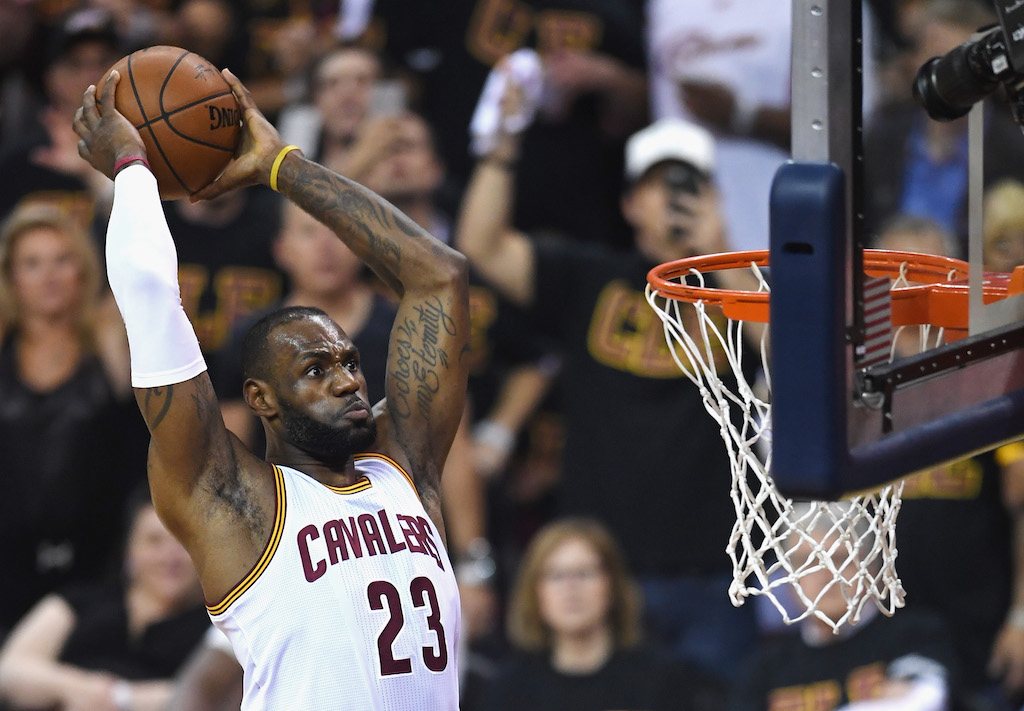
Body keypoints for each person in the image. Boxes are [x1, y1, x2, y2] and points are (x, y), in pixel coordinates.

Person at [72, 62, 468, 709]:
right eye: (316, 369)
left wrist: (282, 164)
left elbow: (439, 276)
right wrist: (132, 166)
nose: (347, 378)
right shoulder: (232, 499)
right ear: (260, 399)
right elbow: (150, 298)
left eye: (348, 360)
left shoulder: (405, 462)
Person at [457, 84, 761, 682]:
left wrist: (719, 250)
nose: (675, 202)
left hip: (718, 572)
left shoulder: (742, 288)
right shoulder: (590, 277)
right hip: (606, 574)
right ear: (629, 203)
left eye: (690, 186)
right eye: (660, 186)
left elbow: (787, 356)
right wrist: (501, 150)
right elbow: (481, 244)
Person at [0, 202, 145, 639]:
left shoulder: (111, 344)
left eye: (62, 260)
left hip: (98, 563)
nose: (49, 276)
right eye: (33, 263)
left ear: (83, 271)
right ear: (11, 277)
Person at [729, 503, 962, 711]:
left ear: (872, 568)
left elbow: (924, 700)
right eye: (807, 563)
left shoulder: (914, 635)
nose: (826, 575)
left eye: (840, 559)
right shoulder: (764, 670)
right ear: (788, 579)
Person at [0, 486, 209, 711]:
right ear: (129, 551)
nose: (169, 557)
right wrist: (82, 689)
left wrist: (122, 699)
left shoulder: (219, 626)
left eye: (182, 543)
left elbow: (215, 696)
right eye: (154, 541)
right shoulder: (77, 602)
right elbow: (10, 669)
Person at [482, 518, 724, 711]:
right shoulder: (510, 690)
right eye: (556, 575)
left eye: (584, 573)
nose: (571, 587)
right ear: (535, 593)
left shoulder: (661, 680)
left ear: (612, 586)